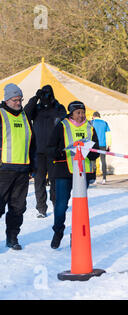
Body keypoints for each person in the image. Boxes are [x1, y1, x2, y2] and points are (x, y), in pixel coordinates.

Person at [46, 101, 99, 249]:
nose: (81, 115)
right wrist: (59, 152)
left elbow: (97, 149)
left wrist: (91, 152)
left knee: (79, 207)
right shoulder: (62, 125)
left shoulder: (90, 127)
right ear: (71, 113)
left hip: (83, 173)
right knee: (61, 205)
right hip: (64, 171)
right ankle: (58, 231)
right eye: (78, 113)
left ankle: (75, 235)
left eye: (83, 112)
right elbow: (50, 148)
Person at [0, 83, 36, 250]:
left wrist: (33, 165)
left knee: (18, 208)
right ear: (7, 99)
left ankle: (12, 238)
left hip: (22, 170)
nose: (18, 102)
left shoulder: (25, 116)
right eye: (15, 99)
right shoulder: (0, 114)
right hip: (3, 171)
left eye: (20, 99)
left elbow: (32, 142)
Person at [24, 85, 67, 218]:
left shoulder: (59, 108)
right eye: (44, 94)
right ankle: (41, 208)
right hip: (38, 151)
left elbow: (65, 122)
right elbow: (25, 113)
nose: (46, 97)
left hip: (53, 151)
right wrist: (35, 98)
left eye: (48, 94)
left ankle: (56, 204)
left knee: (55, 180)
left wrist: (53, 103)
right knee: (39, 181)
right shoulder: (36, 109)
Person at [91, 111, 111, 184]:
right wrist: (109, 145)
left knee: (93, 161)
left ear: (93, 116)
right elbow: (108, 134)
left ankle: (94, 179)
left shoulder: (91, 122)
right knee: (103, 161)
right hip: (103, 144)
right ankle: (104, 179)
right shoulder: (105, 123)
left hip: (94, 144)